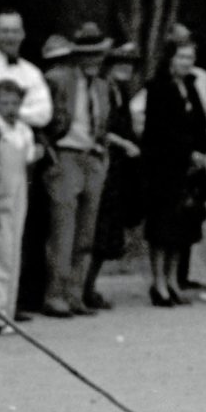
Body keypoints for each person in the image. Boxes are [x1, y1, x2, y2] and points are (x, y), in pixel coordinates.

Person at [40, 23, 116, 316]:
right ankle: (54, 294)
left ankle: (75, 293)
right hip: (66, 154)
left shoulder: (102, 85)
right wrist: (50, 152)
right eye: (86, 54)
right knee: (63, 229)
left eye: (97, 54)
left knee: (86, 231)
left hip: (93, 156)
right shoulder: (58, 79)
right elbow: (43, 117)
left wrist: (102, 153)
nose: (93, 60)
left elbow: (104, 123)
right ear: (76, 55)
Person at [141, 38, 206, 306]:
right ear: (170, 58)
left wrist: (201, 151)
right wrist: (185, 152)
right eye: (182, 57)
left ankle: (172, 279)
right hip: (164, 167)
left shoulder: (192, 86)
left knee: (182, 227)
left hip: (189, 169)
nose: (186, 63)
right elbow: (159, 130)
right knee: (161, 227)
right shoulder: (157, 88)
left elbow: (202, 124)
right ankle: (158, 282)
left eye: (190, 58)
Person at [84, 41, 144, 311]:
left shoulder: (121, 91)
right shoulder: (102, 89)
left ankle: (90, 286)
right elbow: (100, 128)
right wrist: (124, 144)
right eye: (120, 63)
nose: (125, 68)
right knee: (96, 227)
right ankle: (83, 286)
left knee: (108, 229)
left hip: (119, 169)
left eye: (129, 64)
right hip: (106, 162)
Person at [0, 79, 39, 330]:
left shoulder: (23, 130)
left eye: (15, 102)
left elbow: (29, 159)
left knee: (13, 253)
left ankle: (7, 312)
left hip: (19, 195)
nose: (10, 108)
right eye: (4, 103)